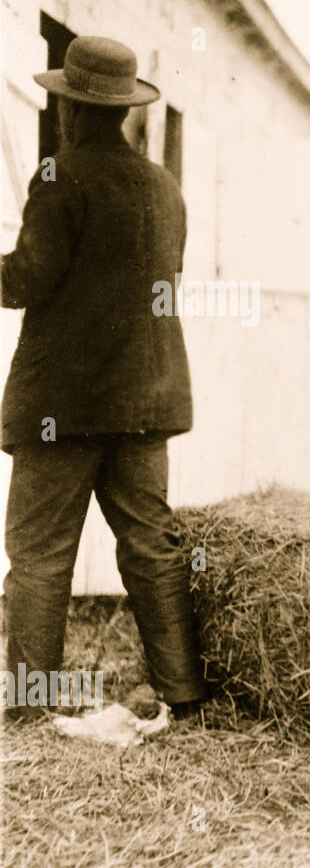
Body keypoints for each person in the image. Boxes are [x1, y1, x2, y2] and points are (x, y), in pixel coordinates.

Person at [0, 36, 206, 721]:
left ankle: (34, 706)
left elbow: (27, 278)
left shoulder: (60, 175)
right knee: (152, 547)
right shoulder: (164, 186)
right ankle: (183, 693)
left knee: (39, 553)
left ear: (68, 105)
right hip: (146, 401)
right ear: (120, 108)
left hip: (65, 406)